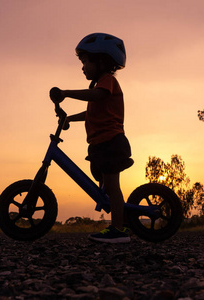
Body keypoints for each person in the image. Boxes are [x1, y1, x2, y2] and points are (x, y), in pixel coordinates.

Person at [53, 33, 133, 243]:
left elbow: (97, 96)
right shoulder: (99, 87)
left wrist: (66, 93)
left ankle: (118, 230)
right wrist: (69, 118)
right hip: (101, 144)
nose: (82, 67)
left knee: (113, 186)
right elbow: (92, 113)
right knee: (106, 182)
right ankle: (116, 223)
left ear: (101, 60)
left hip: (111, 142)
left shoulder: (107, 81)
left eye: (85, 61)